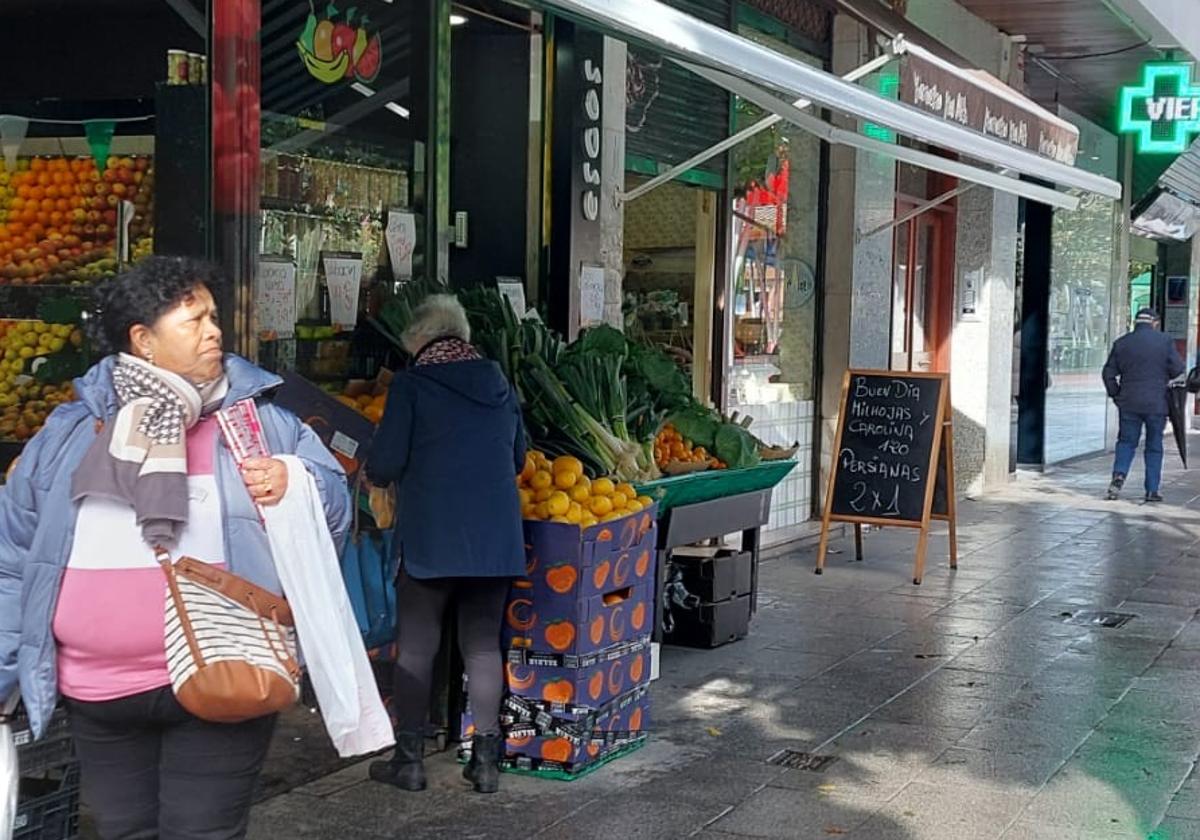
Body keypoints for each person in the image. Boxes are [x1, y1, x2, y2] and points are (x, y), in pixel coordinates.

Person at [0, 257, 352, 840]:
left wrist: (299, 483)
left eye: (213, 317)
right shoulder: (66, 433)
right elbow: (11, 560)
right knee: (122, 831)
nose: (215, 332)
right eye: (193, 320)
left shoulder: (260, 423)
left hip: (225, 674)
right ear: (143, 340)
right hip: (98, 692)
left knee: (202, 831)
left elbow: (337, 512)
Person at [366, 294, 525, 795]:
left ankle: (409, 760)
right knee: (481, 645)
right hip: (495, 539)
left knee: (416, 646)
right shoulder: (499, 383)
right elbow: (519, 457)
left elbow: (384, 464)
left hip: (432, 537)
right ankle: (485, 763)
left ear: (420, 340)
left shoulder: (412, 387)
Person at [1102, 307, 1184, 502]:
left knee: (1126, 442)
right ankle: (1152, 490)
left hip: (1129, 402)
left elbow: (1108, 373)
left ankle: (1119, 475)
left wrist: (1116, 394)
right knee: (1154, 445)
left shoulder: (1122, 343)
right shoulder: (1164, 341)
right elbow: (1178, 370)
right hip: (1157, 403)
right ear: (1154, 323)